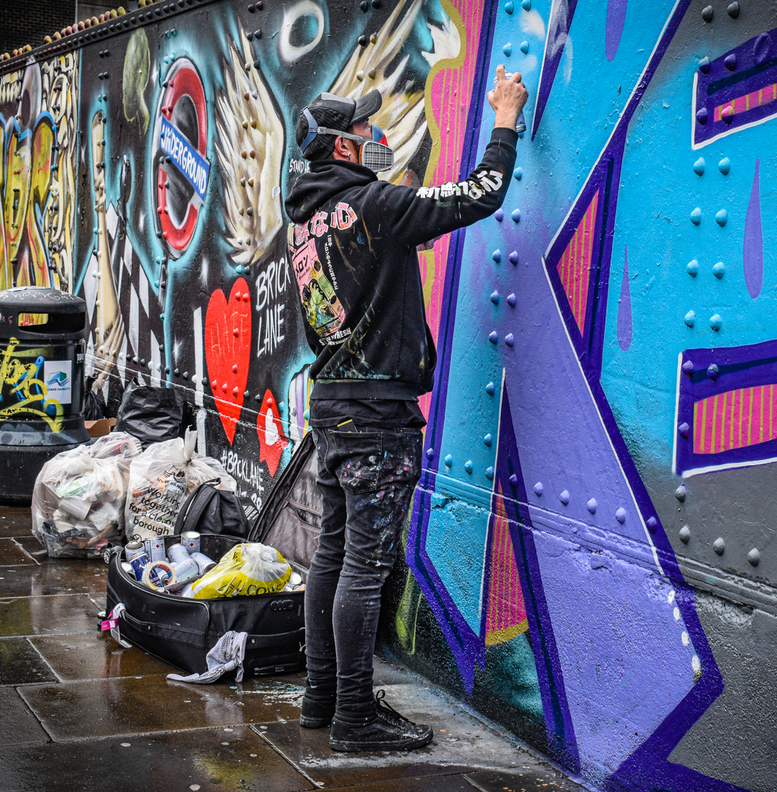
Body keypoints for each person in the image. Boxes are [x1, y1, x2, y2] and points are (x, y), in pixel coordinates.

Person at [284, 66, 529, 752]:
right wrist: (505, 118)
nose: (376, 134)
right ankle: (357, 719)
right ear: (342, 147)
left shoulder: (301, 221)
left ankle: (322, 700)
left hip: (331, 409)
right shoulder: (375, 205)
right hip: (377, 416)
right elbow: (477, 195)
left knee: (333, 557)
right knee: (366, 566)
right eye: (364, 128)